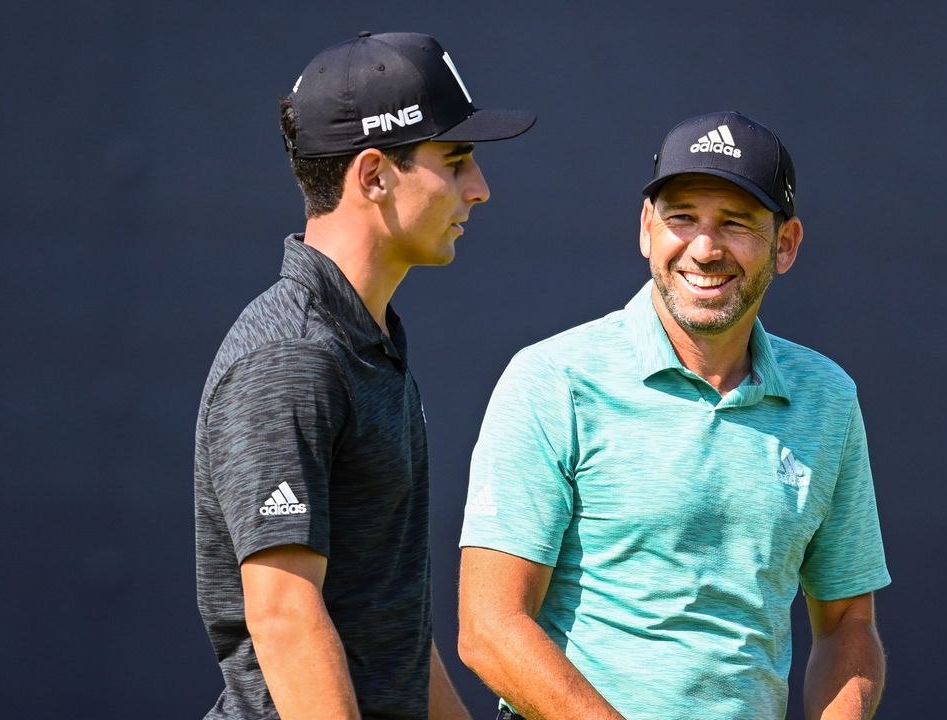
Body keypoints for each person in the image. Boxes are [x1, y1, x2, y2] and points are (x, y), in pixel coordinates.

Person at [457, 111, 889, 720]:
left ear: (786, 244)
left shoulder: (828, 397)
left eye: (736, 223)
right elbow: (490, 627)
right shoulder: (553, 378)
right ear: (646, 229)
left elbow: (848, 621)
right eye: (681, 218)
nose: (705, 249)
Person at [193, 31, 534, 720]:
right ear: (374, 175)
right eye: (457, 160)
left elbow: (391, 625)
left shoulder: (365, 341)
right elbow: (285, 613)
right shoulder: (291, 356)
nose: (481, 189)